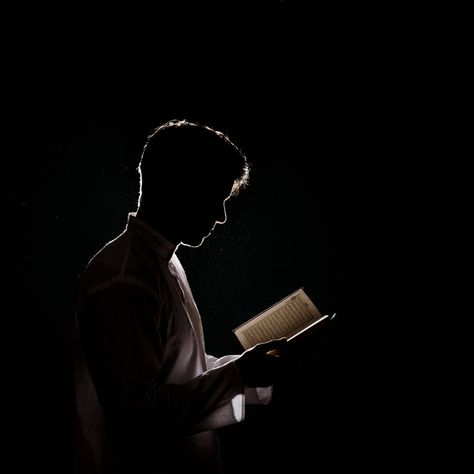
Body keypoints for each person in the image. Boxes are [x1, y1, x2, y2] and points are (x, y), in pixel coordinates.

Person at [73, 119, 288, 474]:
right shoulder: (125, 280)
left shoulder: (160, 261)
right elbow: (138, 417)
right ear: (179, 187)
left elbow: (171, 369)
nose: (221, 218)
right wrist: (239, 374)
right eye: (214, 198)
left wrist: (247, 369)